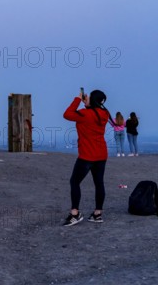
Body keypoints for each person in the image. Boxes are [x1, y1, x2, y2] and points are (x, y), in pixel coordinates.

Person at [62, 90, 110, 226]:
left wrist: (78, 99)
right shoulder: (104, 114)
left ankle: (75, 213)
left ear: (92, 100)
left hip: (87, 155)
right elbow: (94, 113)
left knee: (74, 182)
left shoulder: (85, 114)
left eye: (88, 97)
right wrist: (88, 104)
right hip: (101, 154)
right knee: (99, 183)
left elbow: (67, 114)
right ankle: (97, 214)